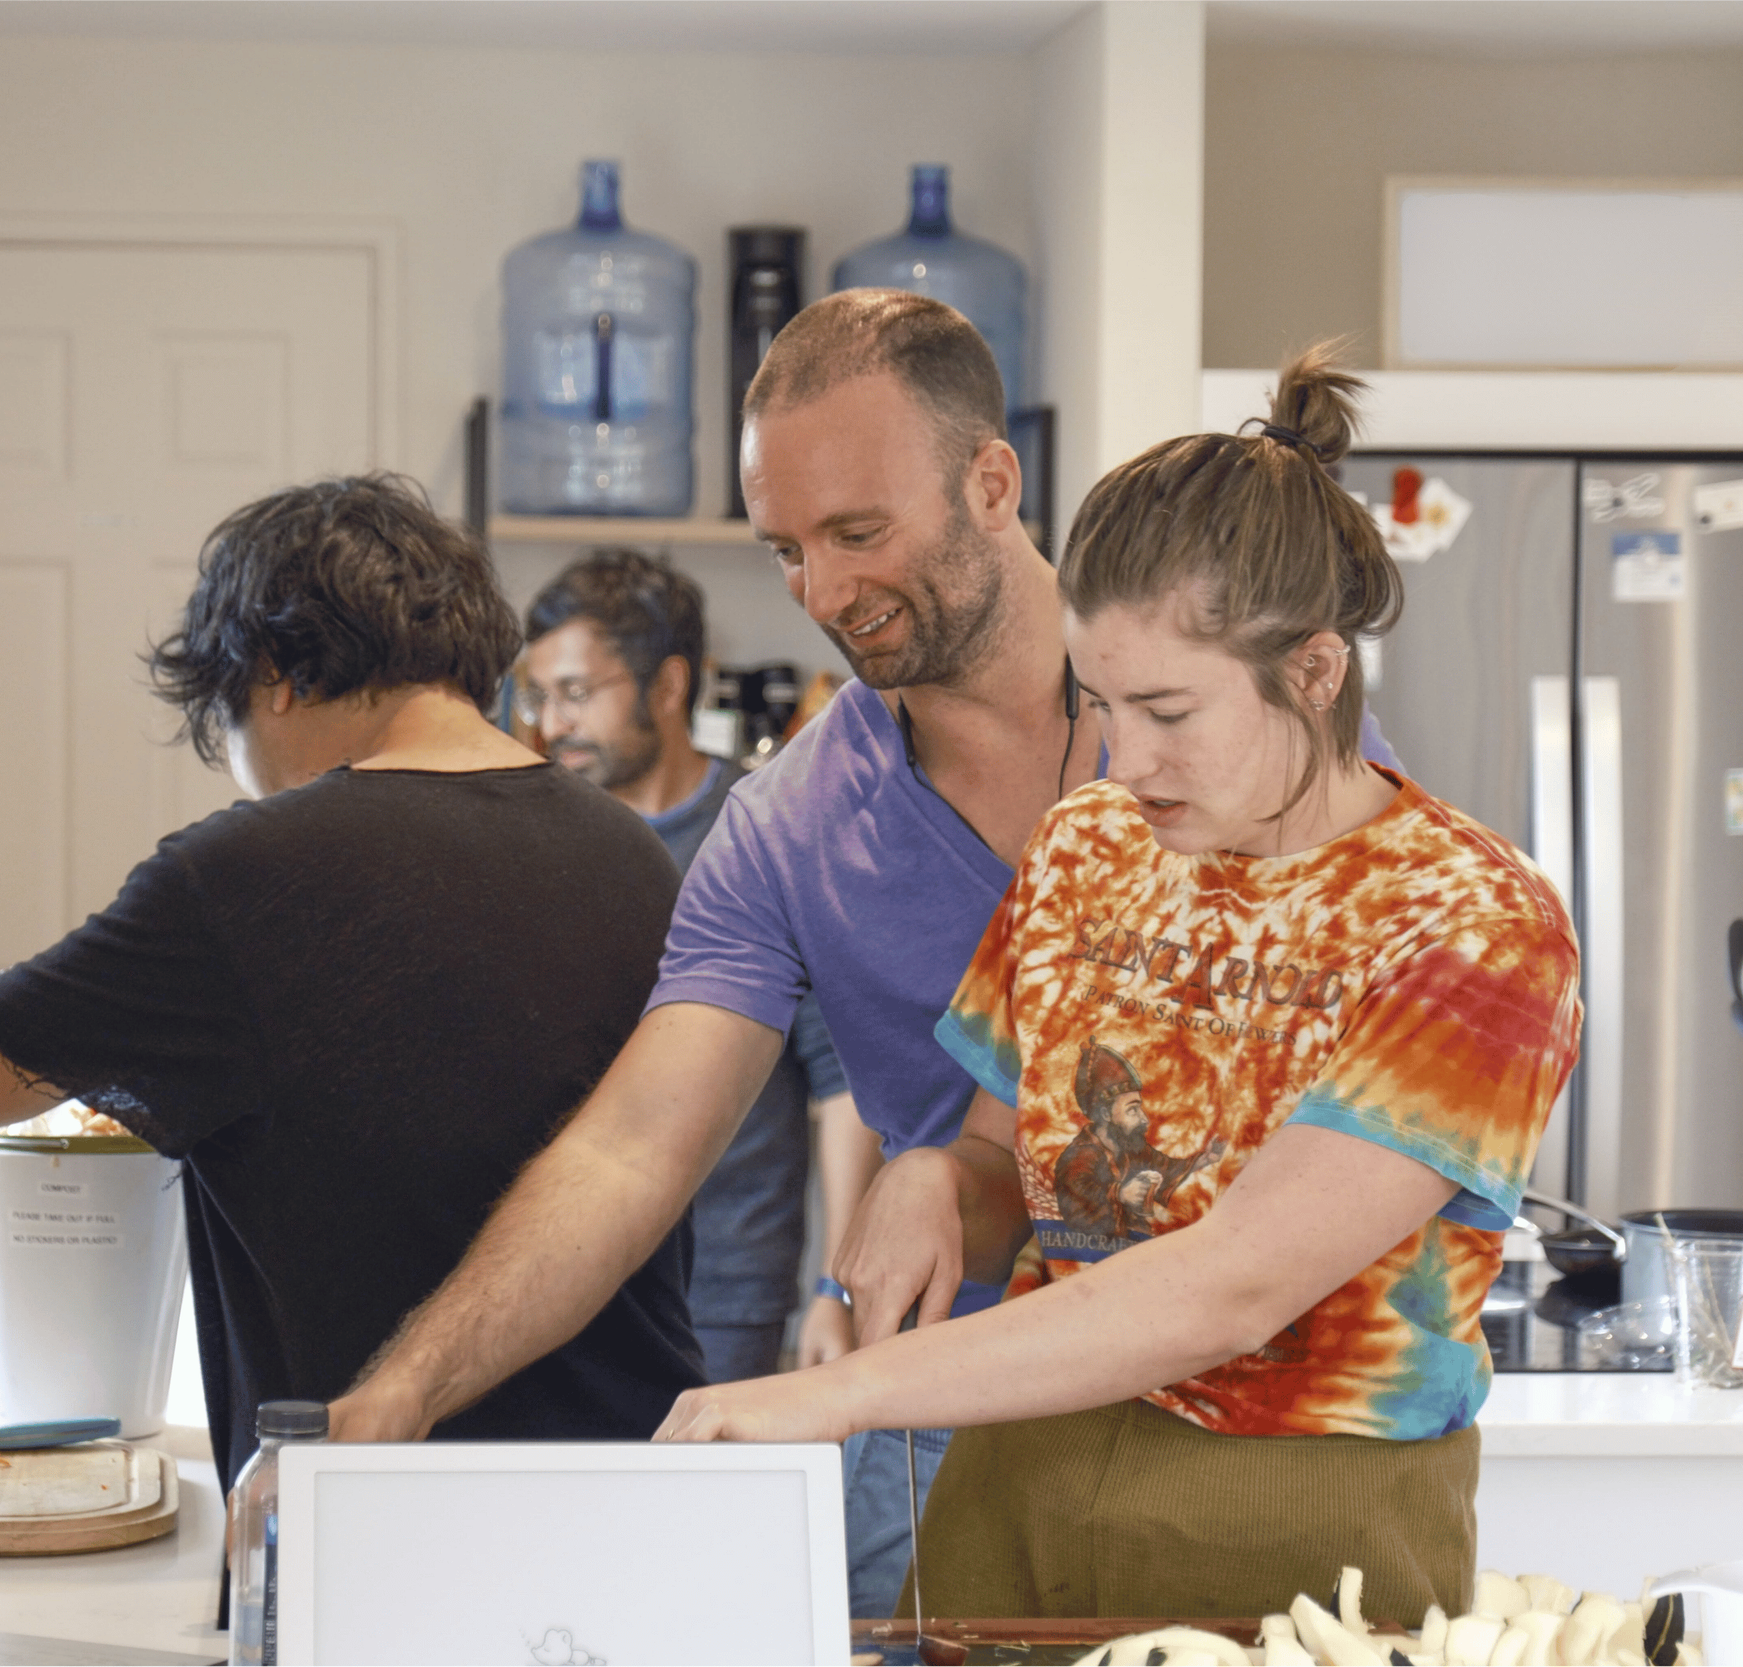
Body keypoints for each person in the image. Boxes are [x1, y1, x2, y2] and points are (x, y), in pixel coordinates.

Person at [650, 349, 1583, 1628]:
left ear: (1313, 673)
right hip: (1017, 1471)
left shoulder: (1472, 925)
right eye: (1099, 702)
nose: (1121, 758)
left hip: (1300, 1512)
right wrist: (932, 1176)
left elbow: (1235, 1281)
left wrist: (840, 1393)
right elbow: (1002, 1167)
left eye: (1166, 710)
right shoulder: (1087, 846)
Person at [0, 475, 704, 1494]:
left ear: (271, 671)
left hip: (375, 1513)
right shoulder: (634, 856)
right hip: (640, 1490)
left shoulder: (243, 876)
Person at [519, 547, 855, 1383]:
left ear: (668, 688)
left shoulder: (767, 835)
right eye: (539, 695)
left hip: (724, 1288)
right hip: (561, 1273)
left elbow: (843, 1088)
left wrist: (836, 1286)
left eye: (577, 693)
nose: (552, 722)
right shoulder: (538, 841)